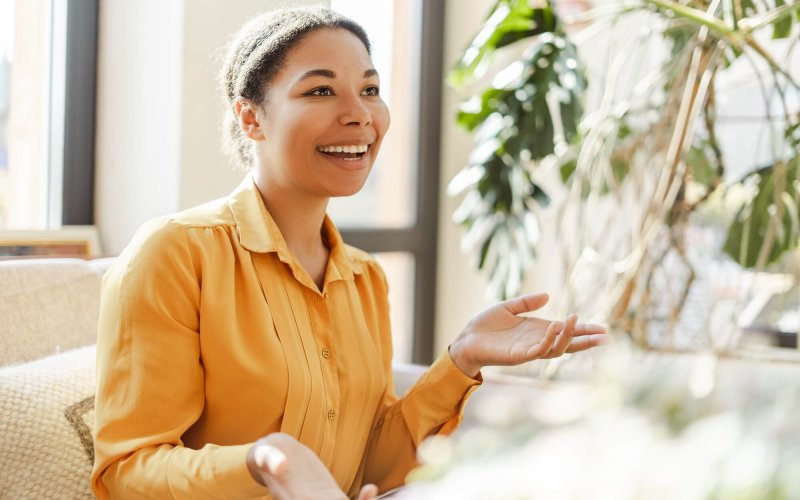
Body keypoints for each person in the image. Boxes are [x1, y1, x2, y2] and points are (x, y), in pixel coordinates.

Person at [91, 7, 610, 500]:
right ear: (251, 119)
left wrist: (461, 359)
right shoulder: (175, 254)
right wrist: (268, 460)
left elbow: (375, 468)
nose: (360, 114)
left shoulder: (364, 278)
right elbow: (127, 475)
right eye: (321, 90)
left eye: (370, 90)